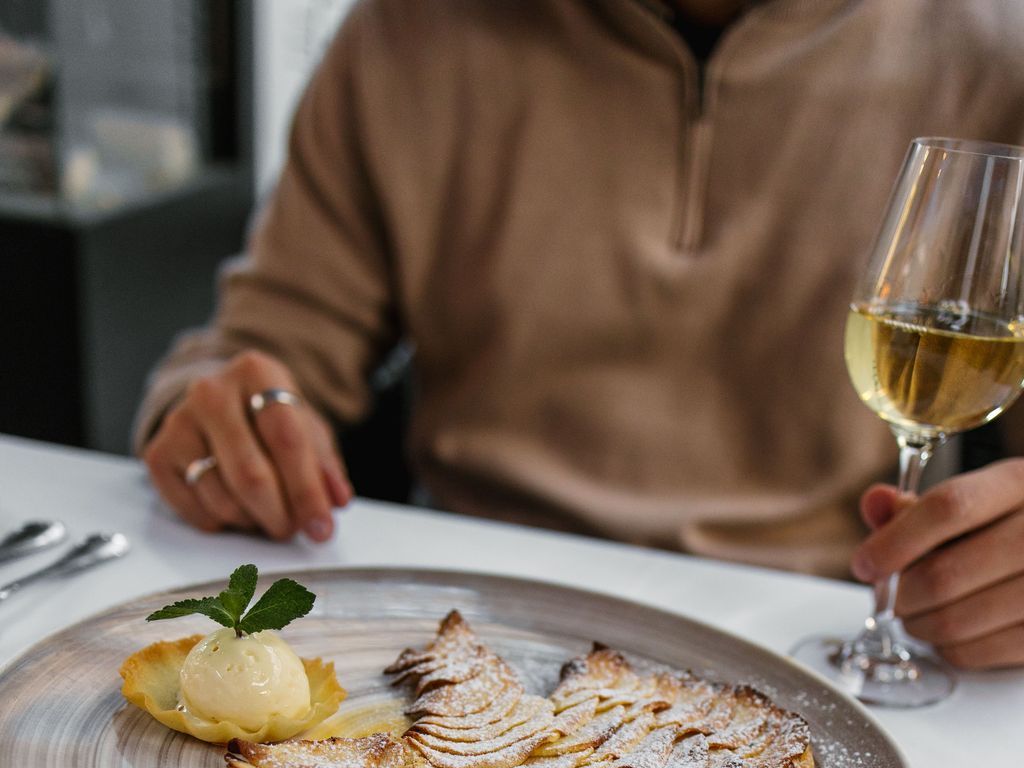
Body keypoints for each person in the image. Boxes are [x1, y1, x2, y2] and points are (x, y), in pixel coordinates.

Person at [135, 0, 1024, 669]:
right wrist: (220, 413)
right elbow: (267, 341)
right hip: (467, 625)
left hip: (822, 635)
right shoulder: (407, 30)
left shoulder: (999, 57)